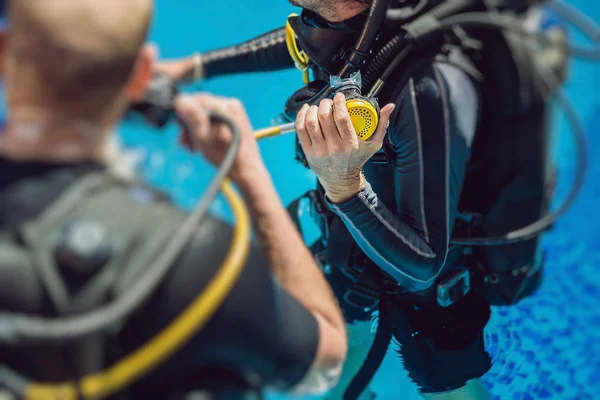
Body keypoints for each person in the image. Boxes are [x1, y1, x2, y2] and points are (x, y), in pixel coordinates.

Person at [153, 1, 574, 399]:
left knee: (450, 389)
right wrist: (193, 67)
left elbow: (424, 266)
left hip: (431, 296)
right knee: (328, 366)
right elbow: (299, 41)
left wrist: (343, 185)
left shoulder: (429, 88)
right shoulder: (359, 27)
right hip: (354, 245)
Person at [0, 0, 348, 399]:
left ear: (2, 51)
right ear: (143, 74)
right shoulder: (195, 257)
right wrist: (250, 175)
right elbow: (324, 363)